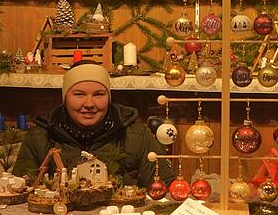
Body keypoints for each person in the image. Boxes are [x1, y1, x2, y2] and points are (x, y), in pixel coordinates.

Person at [13, 60, 174, 188]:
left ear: (109, 97)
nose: (89, 104)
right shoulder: (40, 137)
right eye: (79, 94)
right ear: (65, 98)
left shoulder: (137, 136)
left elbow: (163, 187)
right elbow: (20, 189)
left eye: (98, 94)